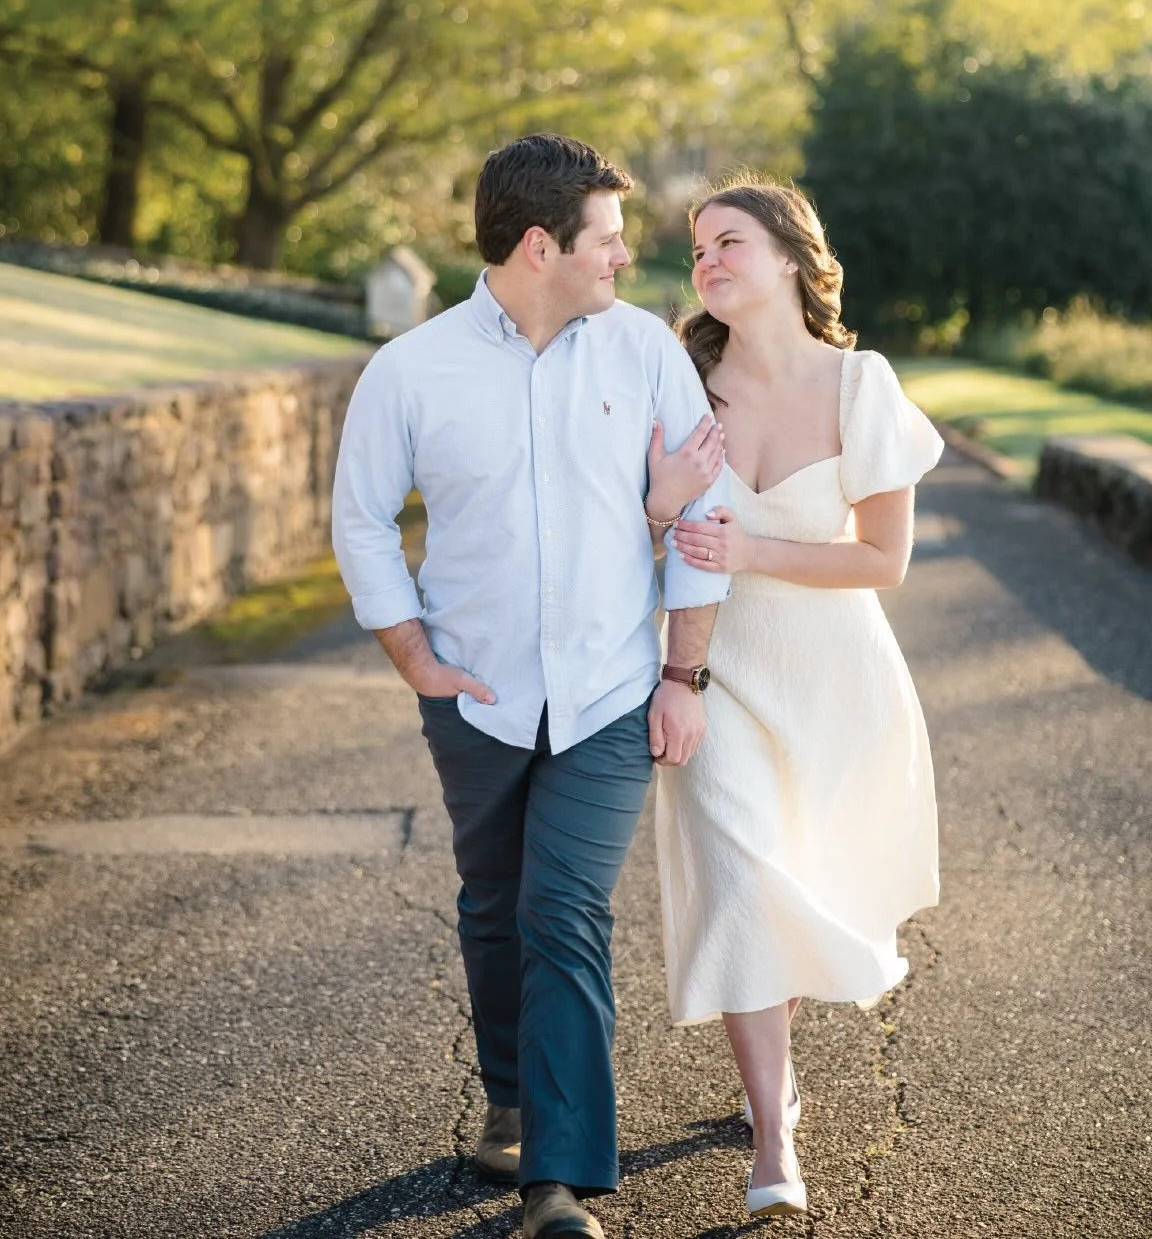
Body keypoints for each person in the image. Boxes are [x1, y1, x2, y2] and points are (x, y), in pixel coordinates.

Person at [331, 134, 730, 1239]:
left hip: (609, 694)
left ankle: (559, 1181)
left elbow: (706, 518)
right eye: (606, 237)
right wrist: (413, 654)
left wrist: (682, 671)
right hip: (477, 694)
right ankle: (508, 1095)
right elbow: (360, 518)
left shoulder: (645, 351)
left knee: (565, 911)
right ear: (541, 244)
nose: (623, 256)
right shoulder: (411, 369)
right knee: (495, 905)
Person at [644, 177, 944, 1220]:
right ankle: (774, 1134)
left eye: (729, 242)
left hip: (836, 680)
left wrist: (753, 545)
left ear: (789, 258)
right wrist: (663, 507)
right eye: (697, 252)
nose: (709, 263)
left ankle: (773, 1076)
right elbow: (640, 530)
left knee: (800, 883)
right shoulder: (681, 382)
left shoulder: (862, 386)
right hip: (713, 675)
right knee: (739, 883)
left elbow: (884, 561)